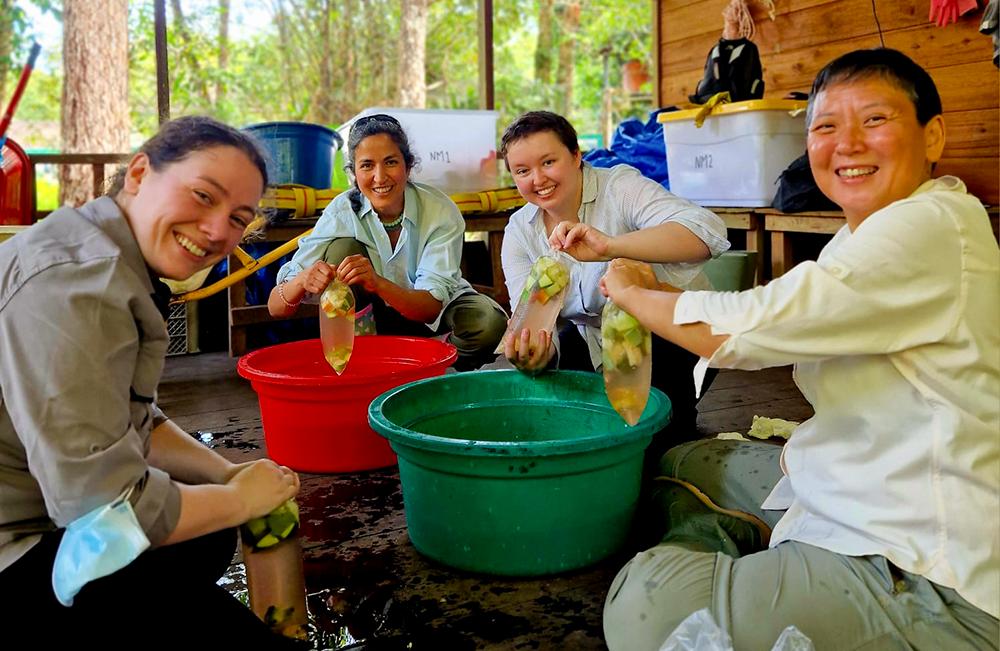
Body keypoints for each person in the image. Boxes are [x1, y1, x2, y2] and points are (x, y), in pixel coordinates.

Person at [601, 48, 999, 650]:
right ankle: (761, 570)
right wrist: (651, 291)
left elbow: (749, 326)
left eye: (874, 120)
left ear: (933, 134)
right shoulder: (865, 230)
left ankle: (753, 579)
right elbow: (796, 306)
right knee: (686, 464)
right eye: (825, 127)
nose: (848, 143)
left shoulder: (931, 223)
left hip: (926, 562)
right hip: (857, 474)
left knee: (645, 609)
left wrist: (632, 293)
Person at [0, 116, 302, 647]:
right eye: (202, 195)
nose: (216, 230)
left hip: (44, 501)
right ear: (138, 173)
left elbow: (133, 417)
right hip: (18, 541)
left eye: (238, 218)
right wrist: (240, 500)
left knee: (204, 538)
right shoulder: (81, 285)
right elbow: (103, 508)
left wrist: (229, 472)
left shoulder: (104, 249)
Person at [498, 110, 730, 438]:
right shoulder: (520, 231)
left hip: (673, 334)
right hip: (592, 339)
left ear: (577, 156)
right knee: (572, 428)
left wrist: (610, 246)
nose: (538, 179)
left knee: (653, 437)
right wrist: (534, 355)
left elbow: (707, 233)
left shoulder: (619, 187)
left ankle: (674, 426)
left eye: (548, 162)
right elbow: (534, 324)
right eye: (522, 171)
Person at [269, 114, 507, 371]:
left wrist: (378, 283)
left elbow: (429, 309)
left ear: (408, 166)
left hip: (432, 314)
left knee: (488, 323)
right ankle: (366, 361)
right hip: (371, 322)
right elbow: (276, 307)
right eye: (367, 165)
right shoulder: (341, 211)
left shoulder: (440, 211)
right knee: (342, 249)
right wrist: (302, 280)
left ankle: (431, 370)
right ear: (354, 173)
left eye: (391, 162)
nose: (380, 177)